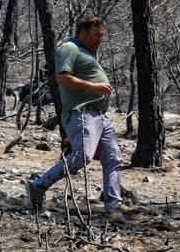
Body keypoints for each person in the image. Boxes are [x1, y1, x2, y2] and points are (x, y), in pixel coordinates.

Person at [25, 15, 124, 217]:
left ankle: (113, 206)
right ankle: (39, 185)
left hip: (99, 115)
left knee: (113, 157)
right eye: (97, 35)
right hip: (81, 112)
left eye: (102, 35)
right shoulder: (69, 48)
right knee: (81, 157)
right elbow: (62, 78)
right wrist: (95, 86)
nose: (100, 39)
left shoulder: (87, 52)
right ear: (83, 32)